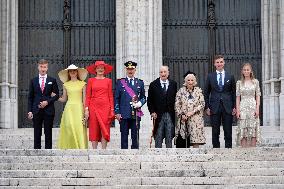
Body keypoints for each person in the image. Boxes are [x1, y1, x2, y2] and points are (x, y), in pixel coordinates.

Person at [204, 55, 236, 148]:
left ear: (224, 63)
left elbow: (233, 92)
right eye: (217, 62)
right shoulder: (210, 76)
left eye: (221, 62)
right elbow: (206, 92)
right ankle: (216, 151)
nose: (219, 64)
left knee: (228, 130)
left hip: (228, 107)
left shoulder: (230, 76)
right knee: (215, 131)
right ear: (214, 64)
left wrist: (234, 106)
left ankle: (228, 150)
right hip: (214, 107)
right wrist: (207, 107)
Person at [27, 59, 59, 149]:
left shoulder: (52, 80)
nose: (43, 69)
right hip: (36, 110)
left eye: (44, 67)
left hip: (49, 110)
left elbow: (57, 95)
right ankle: (37, 151)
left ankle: (48, 152)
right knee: (37, 132)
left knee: (48, 132)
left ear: (47, 68)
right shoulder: (33, 81)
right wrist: (30, 111)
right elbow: (30, 97)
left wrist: (47, 101)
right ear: (38, 67)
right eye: (41, 67)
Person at [114, 61, 146, 149]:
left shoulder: (140, 83)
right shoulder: (120, 82)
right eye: (128, 69)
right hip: (124, 113)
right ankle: (124, 156)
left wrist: (140, 103)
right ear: (126, 70)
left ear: (135, 70)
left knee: (135, 136)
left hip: (135, 113)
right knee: (124, 136)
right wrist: (117, 112)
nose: (130, 71)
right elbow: (116, 98)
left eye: (132, 69)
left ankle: (135, 155)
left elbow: (143, 97)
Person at [56, 64, 88, 149]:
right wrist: (54, 97)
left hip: (79, 108)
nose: (73, 72)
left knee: (78, 128)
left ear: (77, 72)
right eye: (71, 71)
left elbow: (84, 99)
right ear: (68, 73)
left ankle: (80, 148)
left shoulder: (83, 84)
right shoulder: (65, 84)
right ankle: (69, 148)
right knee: (69, 128)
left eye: (74, 70)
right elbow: (63, 99)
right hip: (69, 109)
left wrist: (86, 111)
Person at [84, 60, 114, 149]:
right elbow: (88, 96)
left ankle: (104, 151)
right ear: (95, 70)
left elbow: (110, 96)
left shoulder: (108, 81)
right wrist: (86, 109)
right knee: (94, 127)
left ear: (104, 70)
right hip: (93, 107)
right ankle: (94, 151)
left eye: (102, 68)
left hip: (105, 107)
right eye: (98, 68)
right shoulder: (90, 80)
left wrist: (112, 110)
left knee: (104, 127)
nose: (100, 69)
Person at [147, 66, 177, 148]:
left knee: (169, 135)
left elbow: (176, 99)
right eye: (161, 72)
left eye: (165, 72)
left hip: (170, 114)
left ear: (168, 73)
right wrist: (152, 111)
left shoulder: (173, 84)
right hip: (158, 114)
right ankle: (157, 155)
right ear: (159, 73)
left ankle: (169, 154)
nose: (163, 74)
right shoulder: (153, 84)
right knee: (158, 135)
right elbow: (150, 100)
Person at [175, 73, 206, 148]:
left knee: (195, 140)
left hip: (196, 120)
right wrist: (181, 114)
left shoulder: (198, 91)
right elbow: (177, 104)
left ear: (194, 81)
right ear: (185, 81)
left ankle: (196, 157)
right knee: (184, 140)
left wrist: (193, 112)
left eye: (192, 80)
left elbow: (202, 104)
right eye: (188, 80)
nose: (190, 82)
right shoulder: (181, 91)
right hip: (184, 119)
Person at [236, 63, 261, 147]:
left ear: (251, 71)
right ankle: (244, 153)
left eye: (248, 70)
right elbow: (238, 97)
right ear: (242, 71)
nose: (246, 71)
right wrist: (238, 110)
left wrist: (257, 108)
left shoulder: (255, 82)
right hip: (243, 106)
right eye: (244, 70)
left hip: (252, 107)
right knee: (243, 129)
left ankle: (253, 152)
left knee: (253, 128)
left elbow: (258, 96)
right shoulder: (239, 83)